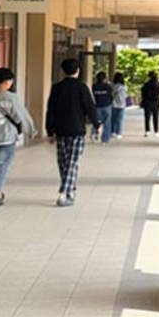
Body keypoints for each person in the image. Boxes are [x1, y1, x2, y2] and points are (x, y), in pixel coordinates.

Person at [45, 58, 100, 207]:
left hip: (61, 130)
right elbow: (90, 107)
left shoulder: (56, 87)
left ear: (63, 71)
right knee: (72, 162)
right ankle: (66, 192)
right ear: (78, 71)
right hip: (77, 130)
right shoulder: (82, 87)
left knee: (63, 162)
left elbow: (51, 110)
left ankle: (68, 191)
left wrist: (50, 130)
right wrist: (97, 124)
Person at [0, 68, 36, 206]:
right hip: (6, 138)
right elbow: (22, 116)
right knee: (1, 166)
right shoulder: (11, 98)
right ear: (6, 82)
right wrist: (31, 131)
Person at [92, 71, 113, 144]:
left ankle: (94, 134)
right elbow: (111, 95)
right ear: (105, 78)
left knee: (96, 122)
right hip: (107, 106)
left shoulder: (94, 86)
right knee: (107, 123)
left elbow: (93, 95)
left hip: (97, 106)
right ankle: (105, 140)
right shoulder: (107, 86)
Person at [140, 71, 159, 136]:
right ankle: (156, 131)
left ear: (149, 77)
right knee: (156, 117)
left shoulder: (146, 84)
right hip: (156, 102)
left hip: (147, 102)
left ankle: (147, 131)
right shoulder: (158, 84)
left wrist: (142, 101)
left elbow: (142, 94)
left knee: (147, 117)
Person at [111, 71, 128, 138]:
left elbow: (111, 94)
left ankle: (112, 132)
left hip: (113, 104)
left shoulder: (113, 86)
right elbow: (125, 95)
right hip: (122, 105)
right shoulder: (124, 87)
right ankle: (119, 133)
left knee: (113, 119)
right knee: (120, 120)